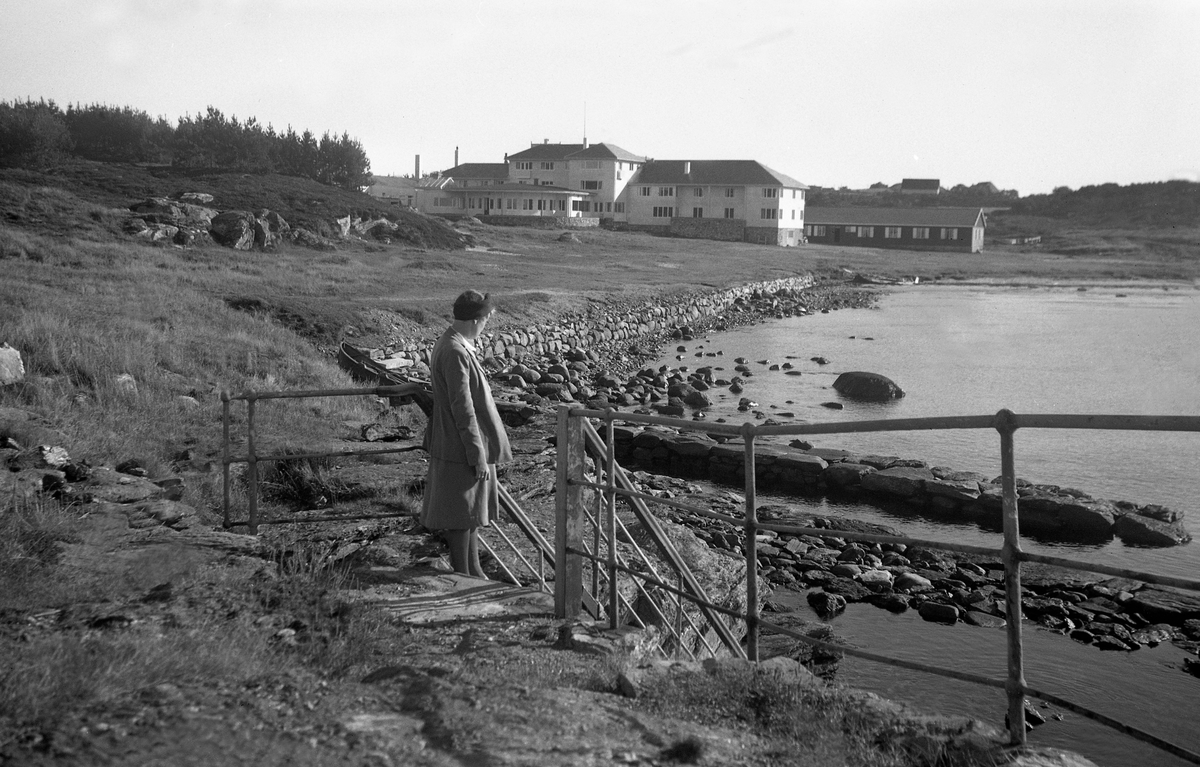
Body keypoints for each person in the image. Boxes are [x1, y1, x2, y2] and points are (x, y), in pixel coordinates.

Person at [420, 289, 512, 577]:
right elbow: (463, 409)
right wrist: (477, 454)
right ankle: (464, 575)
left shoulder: (449, 343)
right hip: (460, 446)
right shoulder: (456, 352)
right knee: (462, 515)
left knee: (470, 513)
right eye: (486, 319)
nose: (486, 325)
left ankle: (474, 571)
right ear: (476, 320)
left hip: (456, 443)